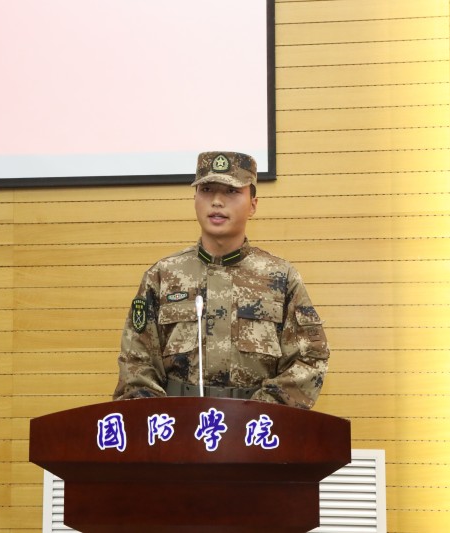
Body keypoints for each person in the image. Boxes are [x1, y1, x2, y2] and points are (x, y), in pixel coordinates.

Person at [113, 151, 329, 409]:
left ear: (253, 205)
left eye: (231, 191)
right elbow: (136, 362)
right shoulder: (162, 276)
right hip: (179, 423)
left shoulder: (281, 278)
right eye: (206, 190)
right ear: (194, 199)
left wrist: (258, 414)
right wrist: (165, 418)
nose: (217, 201)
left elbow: (310, 358)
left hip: (256, 425)